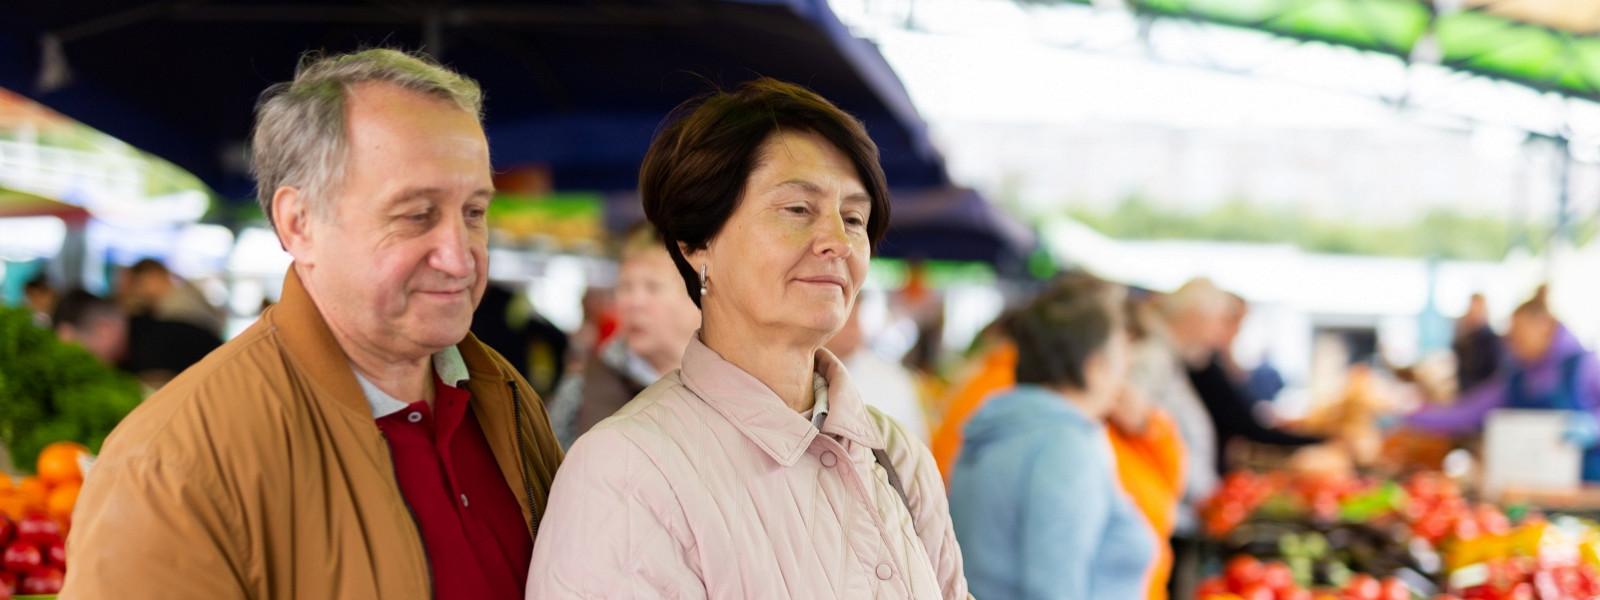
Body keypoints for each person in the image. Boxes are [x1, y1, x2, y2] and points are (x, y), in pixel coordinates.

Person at [61, 49, 564, 600]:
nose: (460, 257)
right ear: (298, 224)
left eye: (473, 213)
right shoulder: (172, 465)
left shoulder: (503, 394)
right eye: (417, 214)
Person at [527, 78, 969, 599]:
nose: (837, 242)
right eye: (798, 210)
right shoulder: (626, 468)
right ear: (697, 242)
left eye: (854, 218)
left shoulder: (897, 456)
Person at [949, 277, 1154, 600]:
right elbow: (1054, 590)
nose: (1132, 360)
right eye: (1122, 346)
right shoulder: (1065, 446)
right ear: (1093, 366)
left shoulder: (1001, 425)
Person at [1409, 286, 1600, 479]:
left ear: (1543, 326)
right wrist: (1409, 414)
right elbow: (1466, 412)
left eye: (1518, 335)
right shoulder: (1517, 377)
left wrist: (1593, 426)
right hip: (1541, 485)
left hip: (1589, 487)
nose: (1512, 344)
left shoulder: (1586, 366)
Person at [545, 222, 702, 448]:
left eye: (652, 287)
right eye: (626, 287)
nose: (633, 303)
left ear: (697, 297)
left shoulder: (729, 386)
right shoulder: (581, 390)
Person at [52, 288, 222, 386]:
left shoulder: (155, 352)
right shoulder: (145, 332)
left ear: (103, 328)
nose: (79, 363)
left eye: (79, 351)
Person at [827, 298, 931, 443]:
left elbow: (918, 446)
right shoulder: (804, 377)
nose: (849, 328)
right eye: (844, 321)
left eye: (853, 320)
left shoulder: (893, 378)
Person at [122, 258, 227, 336]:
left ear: (154, 275)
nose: (138, 292)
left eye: (139, 284)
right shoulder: (187, 293)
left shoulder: (177, 306)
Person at [1452, 293, 1502, 394]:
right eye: (1471, 311)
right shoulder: (1462, 342)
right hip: (1466, 395)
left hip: (1485, 396)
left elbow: (1496, 379)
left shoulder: (1494, 342)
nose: (1473, 315)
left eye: (1477, 311)